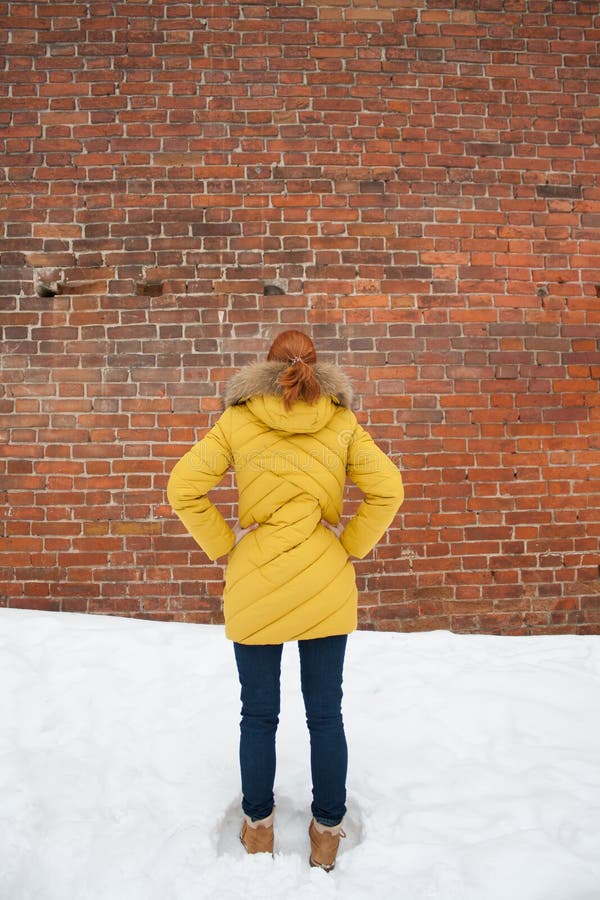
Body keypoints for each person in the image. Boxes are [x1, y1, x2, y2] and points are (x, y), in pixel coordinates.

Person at [167, 330, 404, 871]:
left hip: (256, 582)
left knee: (258, 714)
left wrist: (225, 543)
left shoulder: (238, 420)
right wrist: (349, 543)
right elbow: (388, 488)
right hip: (325, 580)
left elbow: (183, 486)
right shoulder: (341, 422)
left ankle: (258, 829)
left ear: (266, 368)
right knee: (326, 714)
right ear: (318, 368)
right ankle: (327, 834)